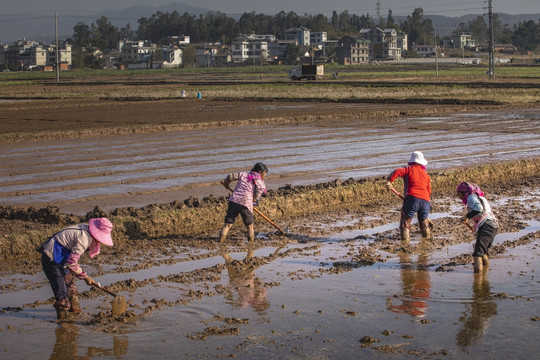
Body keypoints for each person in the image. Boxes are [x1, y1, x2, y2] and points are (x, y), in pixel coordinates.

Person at [40, 217, 114, 314]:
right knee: (62, 298)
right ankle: (63, 321)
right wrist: (85, 277)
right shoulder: (84, 239)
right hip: (52, 259)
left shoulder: (87, 231)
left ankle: (75, 311)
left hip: (63, 259)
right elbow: (71, 262)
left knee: (72, 289)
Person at [386, 151, 432, 241]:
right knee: (424, 223)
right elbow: (428, 191)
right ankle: (427, 239)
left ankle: (405, 243)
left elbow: (397, 171)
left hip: (412, 198)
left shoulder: (409, 170)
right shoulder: (426, 176)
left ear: (412, 162)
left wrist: (389, 181)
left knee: (405, 222)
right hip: (425, 201)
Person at [219, 162, 268, 243]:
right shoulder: (260, 183)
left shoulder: (244, 174)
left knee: (228, 224)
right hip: (245, 203)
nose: (264, 175)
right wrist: (254, 201)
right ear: (260, 172)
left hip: (234, 200)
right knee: (249, 226)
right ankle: (251, 244)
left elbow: (230, 176)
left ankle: (220, 243)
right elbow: (258, 195)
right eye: (264, 173)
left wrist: (226, 183)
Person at [456, 182, 498, 273]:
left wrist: (466, 216)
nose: (458, 196)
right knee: (482, 253)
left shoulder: (471, 197)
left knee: (477, 254)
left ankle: (478, 283)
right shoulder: (479, 197)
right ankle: (485, 273)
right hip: (492, 225)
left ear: (463, 192)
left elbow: (479, 209)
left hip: (487, 225)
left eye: (458, 194)